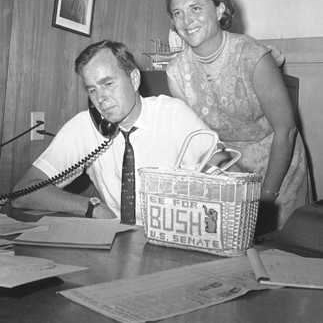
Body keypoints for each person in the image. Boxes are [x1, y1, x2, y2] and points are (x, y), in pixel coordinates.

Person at [12, 40, 233, 225]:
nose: (100, 98)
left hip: (174, 237)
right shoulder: (85, 126)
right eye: (92, 89)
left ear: (134, 79)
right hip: (119, 241)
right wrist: (89, 207)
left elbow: (226, 165)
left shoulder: (173, 114)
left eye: (107, 83)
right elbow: (22, 191)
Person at [164, 0, 312, 235]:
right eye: (178, 13)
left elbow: (286, 130)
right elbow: (201, 141)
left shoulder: (253, 57)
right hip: (229, 169)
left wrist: (266, 198)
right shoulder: (176, 73)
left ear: (220, 9)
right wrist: (221, 187)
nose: (186, 20)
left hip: (279, 166)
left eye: (195, 8)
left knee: (281, 255)